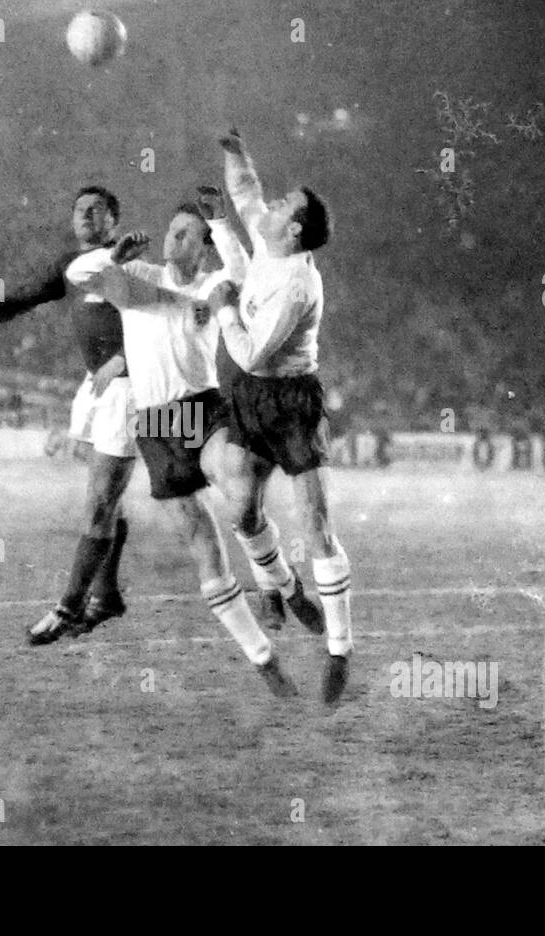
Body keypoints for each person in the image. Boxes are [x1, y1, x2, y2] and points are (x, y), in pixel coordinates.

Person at [64, 195, 319, 696]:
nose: (171, 240)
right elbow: (79, 273)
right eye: (171, 231)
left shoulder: (212, 285)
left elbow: (247, 277)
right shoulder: (140, 275)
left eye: (184, 234)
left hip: (202, 411)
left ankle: (282, 584)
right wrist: (113, 257)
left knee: (241, 493)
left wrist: (222, 226)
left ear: (202, 247)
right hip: (156, 426)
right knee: (204, 545)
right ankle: (263, 659)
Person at [207, 128, 354, 704]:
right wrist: (234, 149)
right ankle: (286, 588)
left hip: (291, 403)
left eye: (282, 205)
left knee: (314, 523)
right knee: (243, 515)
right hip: (251, 399)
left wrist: (221, 308)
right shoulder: (273, 246)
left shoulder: (297, 284)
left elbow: (250, 352)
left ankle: (339, 648)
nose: (267, 208)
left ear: (294, 228)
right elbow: (246, 193)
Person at [0, 186, 135, 644]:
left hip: (130, 389)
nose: (86, 216)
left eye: (97, 210)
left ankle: (68, 608)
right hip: (96, 388)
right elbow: (23, 300)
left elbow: (162, 322)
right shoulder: (69, 269)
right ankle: (107, 592)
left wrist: (128, 359)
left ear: (114, 219)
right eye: (79, 209)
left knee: (100, 506)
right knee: (105, 502)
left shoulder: (129, 263)